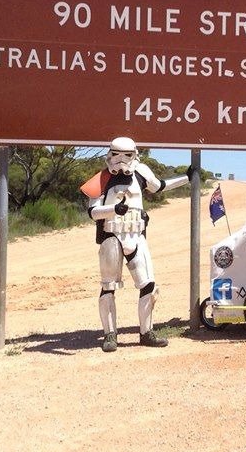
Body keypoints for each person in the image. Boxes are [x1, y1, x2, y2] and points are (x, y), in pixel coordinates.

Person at [80, 137, 193, 352]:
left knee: (148, 285)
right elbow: (92, 212)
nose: (120, 161)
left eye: (126, 156)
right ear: (109, 155)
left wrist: (186, 178)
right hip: (111, 236)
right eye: (116, 155)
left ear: (135, 155)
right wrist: (114, 210)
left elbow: (159, 186)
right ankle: (110, 335)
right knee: (108, 287)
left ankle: (146, 332)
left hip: (136, 235)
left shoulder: (141, 172)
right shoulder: (102, 178)